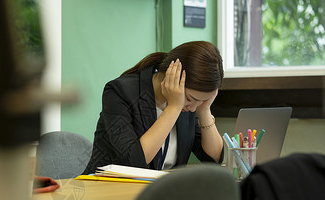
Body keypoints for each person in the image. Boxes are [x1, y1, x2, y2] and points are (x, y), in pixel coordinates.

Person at [83, 41, 224, 175]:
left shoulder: (190, 106)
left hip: (158, 194)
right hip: (106, 190)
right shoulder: (119, 92)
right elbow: (135, 162)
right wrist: (173, 107)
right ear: (172, 78)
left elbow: (214, 160)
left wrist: (205, 109)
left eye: (200, 101)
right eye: (190, 99)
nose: (193, 108)